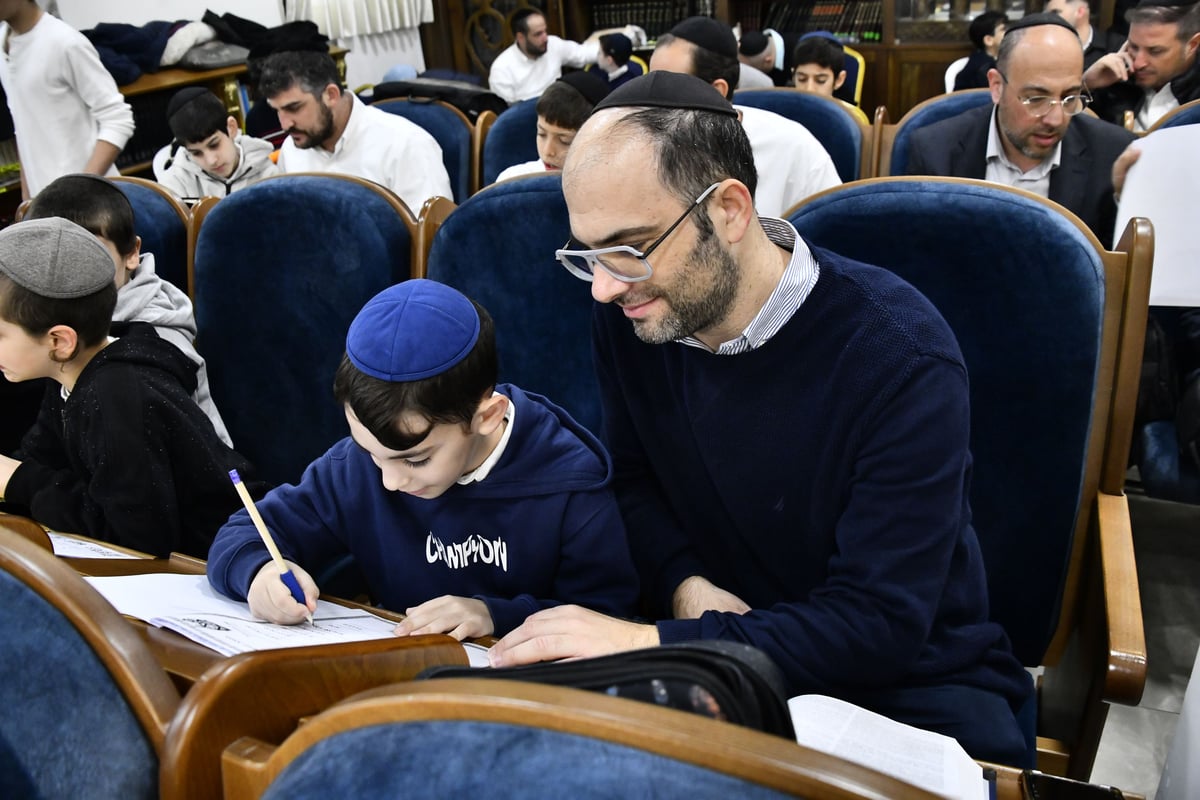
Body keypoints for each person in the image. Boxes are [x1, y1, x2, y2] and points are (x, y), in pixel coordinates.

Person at [487, 71, 1035, 768]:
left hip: (904, 687)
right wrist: (687, 589)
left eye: (628, 248)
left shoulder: (901, 356)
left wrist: (648, 643)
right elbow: (631, 482)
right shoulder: (632, 312)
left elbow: (879, 624)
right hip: (720, 656)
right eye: (588, 254)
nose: (602, 285)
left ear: (729, 210)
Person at [207, 279, 639, 640]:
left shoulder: (571, 485)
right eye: (371, 453)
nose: (390, 481)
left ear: (487, 416)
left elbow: (607, 619)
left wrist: (495, 615)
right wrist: (259, 574)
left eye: (414, 460)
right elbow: (244, 533)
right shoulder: (357, 468)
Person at [0, 217, 262, 558]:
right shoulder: (66, 374)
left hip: (229, 564)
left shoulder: (117, 397)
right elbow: (40, 460)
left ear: (60, 341)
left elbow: (137, 539)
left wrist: (20, 481)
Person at [23, 173, 233, 446]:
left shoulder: (158, 340)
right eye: (53, 262)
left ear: (132, 253)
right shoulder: (63, 321)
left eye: (89, 257)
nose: (70, 276)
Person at [906, 13, 1135, 240]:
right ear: (996, 86)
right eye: (1036, 99)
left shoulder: (1112, 153)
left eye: (1069, 98)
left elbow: (1120, 261)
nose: (1055, 119)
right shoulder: (934, 152)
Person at [650, 16, 841, 218]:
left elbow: (831, 233)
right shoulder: (641, 140)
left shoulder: (796, 149)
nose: (650, 103)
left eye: (667, 90)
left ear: (716, 93)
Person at [258, 49, 452, 212]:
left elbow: (431, 241)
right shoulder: (292, 150)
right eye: (277, 111)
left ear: (331, 95)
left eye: (294, 108)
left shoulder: (406, 145)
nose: (284, 125)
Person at [0, 0, 134, 199]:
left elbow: (118, 118)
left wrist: (80, 190)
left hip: (90, 204)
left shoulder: (64, 42)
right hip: (45, 206)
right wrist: (27, 202)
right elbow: (23, 126)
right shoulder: (3, 42)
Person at [1084, 0, 1200, 131]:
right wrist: (1086, 86)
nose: (1138, 63)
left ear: (1193, 45)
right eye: (1133, 47)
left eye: (1155, 51)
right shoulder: (1113, 80)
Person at [157, 87, 280, 200]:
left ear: (231, 128)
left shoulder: (269, 174)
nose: (211, 161)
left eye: (214, 145)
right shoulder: (174, 183)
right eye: (196, 153)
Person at [489, 9, 631, 104]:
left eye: (545, 31)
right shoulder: (501, 69)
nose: (545, 38)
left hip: (560, 111)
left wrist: (614, 47)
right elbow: (506, 113)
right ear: (520, 37)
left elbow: (582, 54)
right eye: (538, 34)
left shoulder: (553, 44)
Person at [494, 71, 610, 182]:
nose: (547, 151)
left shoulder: (614, 191)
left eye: (565, 141)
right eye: (541, 134)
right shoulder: (512, 182)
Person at [1045, 0, 1126, 69]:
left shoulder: (1116, 48)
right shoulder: (1045, 50)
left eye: (1055, 13)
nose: (1048, 19)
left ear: (1080, 12)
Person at [956, 11, 1009, 90]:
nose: (1009, 32)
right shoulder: (981, 68)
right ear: (988, 40)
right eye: (1003, 29)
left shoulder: (1005, 59)